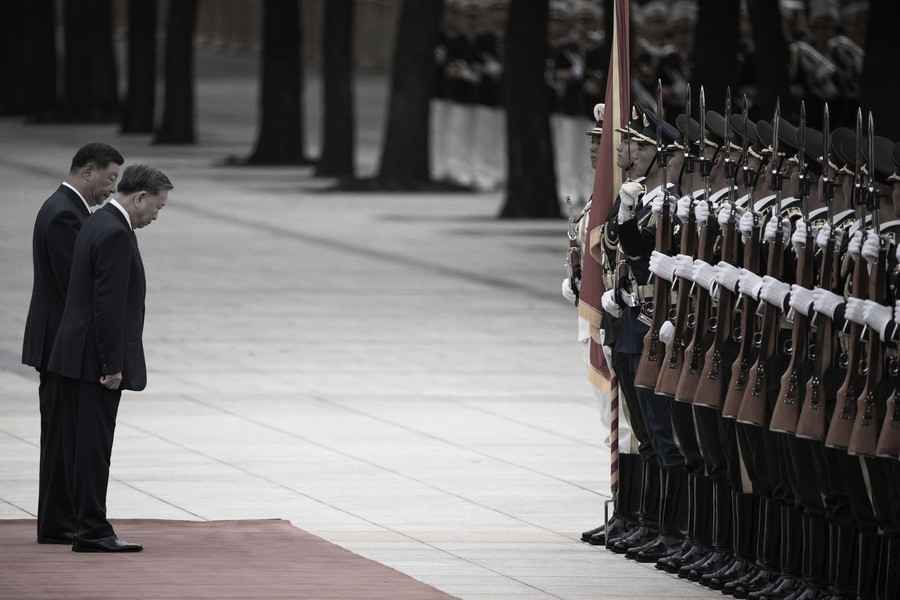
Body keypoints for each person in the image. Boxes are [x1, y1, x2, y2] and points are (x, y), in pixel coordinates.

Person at [48, 164, 173, 553]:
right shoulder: (117, 233)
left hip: (76, 354)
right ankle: (92, 529)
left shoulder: (98, 221)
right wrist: (111, 365)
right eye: (157, 206)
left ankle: (84, 523)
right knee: (94, 446)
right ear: (139, 197)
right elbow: (109, 306)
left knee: (82, 443)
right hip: (94, 361)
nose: (157, 214)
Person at [21, 142, 124, 544]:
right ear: (87, 171)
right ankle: (60, 521)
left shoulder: (63, 208)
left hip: (55, 342)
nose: (111, 189)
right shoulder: (66, 215)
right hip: (61, 345)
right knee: (64, 436)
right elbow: (74, 288)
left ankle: (56, 520)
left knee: (60, 435)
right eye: (109, 178)